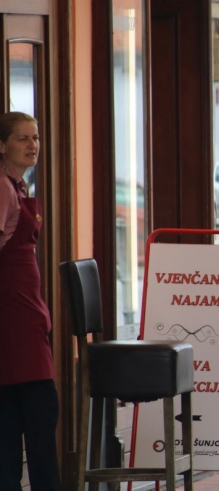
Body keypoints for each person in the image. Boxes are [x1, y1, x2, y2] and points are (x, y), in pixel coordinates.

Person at [0, 112, 61, 491]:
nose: (32, 145)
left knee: (16, 417)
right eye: (22, 138)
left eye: (35, 137)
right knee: (39, 415)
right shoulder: (4, 189)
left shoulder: (18, 187)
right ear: (2, 145)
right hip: (12, 318)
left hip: (26, 315)